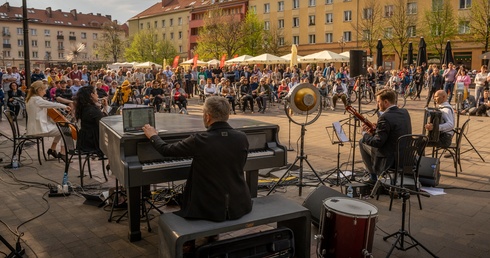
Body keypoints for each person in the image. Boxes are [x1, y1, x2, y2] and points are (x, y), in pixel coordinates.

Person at [142, 96, 252, 221]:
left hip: (207, 208)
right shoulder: (242, 137)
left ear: (208, 116)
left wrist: (153, 136)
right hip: (239, 204)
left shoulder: (200, 140)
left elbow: (166, 150)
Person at [359, 89, 412, 182]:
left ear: (386, 102)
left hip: (390, 159)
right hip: (406, 156)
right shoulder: (404, 112)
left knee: (362, 142)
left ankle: (373, 177)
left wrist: (364, 134)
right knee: (368, 140)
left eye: (378, 102)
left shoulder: (385, 117)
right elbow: (393, 131)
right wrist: (376, 130)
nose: (377, 105)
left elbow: (377, 142)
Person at [26, 81, 71, 159]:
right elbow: (51, 104)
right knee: (66, 129)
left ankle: (52, 149)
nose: (45, 92)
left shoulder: (30, 99)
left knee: (60, 128)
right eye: (44, 90)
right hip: (39, 129)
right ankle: (63, 153)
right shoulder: (37, 100)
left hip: (33, 128)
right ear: (39, 90)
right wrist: (65, 106)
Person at [74, 86, 108, 156]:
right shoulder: (92, 110)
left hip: (84, 141)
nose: (97, 95)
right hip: (93, 143)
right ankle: (111, 164)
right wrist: (105, 108)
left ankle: (109, 164)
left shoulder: (84, 108)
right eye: (96, 93)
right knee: (115, 141)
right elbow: (105, 124)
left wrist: (103, 108)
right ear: (92, 95)